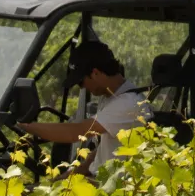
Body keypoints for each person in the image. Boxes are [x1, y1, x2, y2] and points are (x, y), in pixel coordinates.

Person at [14, 38, 147, 171]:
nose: (82, 87)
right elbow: (104, 149)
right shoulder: (110, 96)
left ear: (95, 73)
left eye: (81, 82)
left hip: (114, 187)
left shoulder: (128, 104)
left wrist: (25, 126)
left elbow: (77, 132)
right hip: (99, 179)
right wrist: (74, 174)